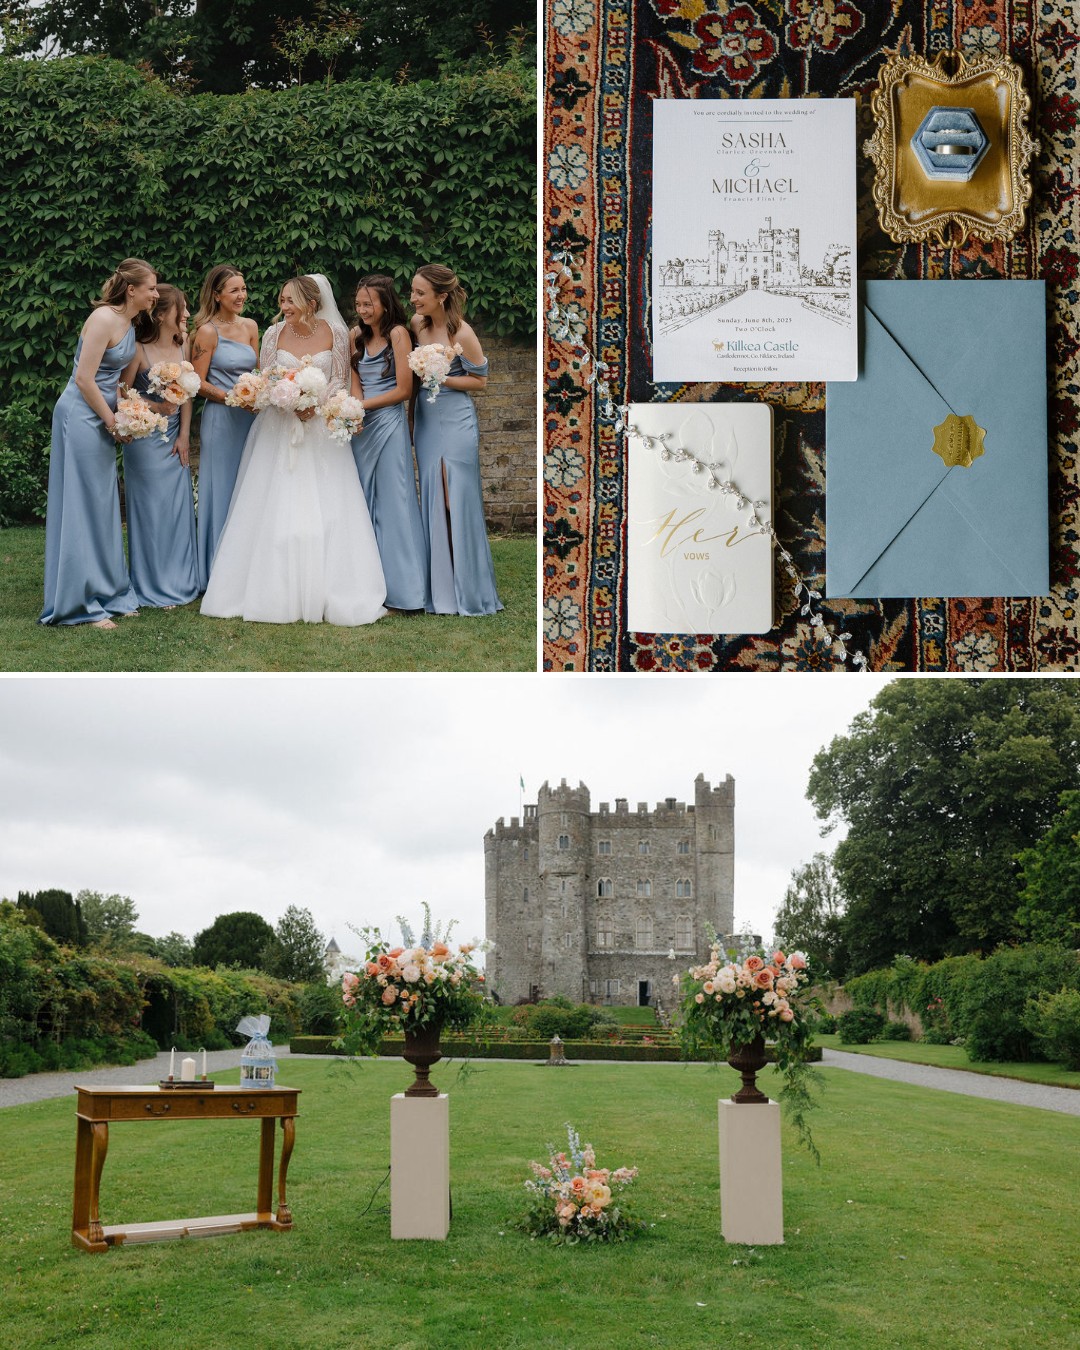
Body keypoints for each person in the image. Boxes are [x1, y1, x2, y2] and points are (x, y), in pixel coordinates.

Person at [201, 274, 387, 626]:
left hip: (319, 429)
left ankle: (331, 588)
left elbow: (339, 378)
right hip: (279, 427)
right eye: (281, 300)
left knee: (328, 507)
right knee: (273, 504)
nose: (282, 307)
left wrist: (315, 403)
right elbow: (268, 376)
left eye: (288, 301)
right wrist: (287, 399)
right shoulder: (272, 334)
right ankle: (271, 589)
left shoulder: (335, 334)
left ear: (310, 303)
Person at [40, 258, 158, 628]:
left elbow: (120, 384)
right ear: (132, 289)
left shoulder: (129, 323)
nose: (156, 294)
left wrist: (130, 414)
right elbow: (84, 378)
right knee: (82, 502)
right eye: (152, 288)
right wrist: (112, 422)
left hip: (105, 418)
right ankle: (79, 602)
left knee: (103, 501)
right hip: (80, 416)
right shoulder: (104, 319)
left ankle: (108, 590)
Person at [409, 264, 503, 616]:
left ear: (441, 296)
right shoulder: (418, 326)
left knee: (454, 499)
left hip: (455, 420)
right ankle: (441, 591)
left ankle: (468, 589)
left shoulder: (461, 333)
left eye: (420, 293)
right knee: (433, 495)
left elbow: (480, 382)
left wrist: (440, 377)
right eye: (413, 291)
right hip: (427, 420)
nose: (414, 298)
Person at [350, 275, 429, 612]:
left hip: (389, 424)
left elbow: (404, 390)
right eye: (359, 304)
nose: (363, 310)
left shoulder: (399, 334)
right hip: (360, 429)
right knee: (361, 502)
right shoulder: (355, 336)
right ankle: (365, 584)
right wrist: (352, 411)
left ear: (385, 304)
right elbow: (355, 383)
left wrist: (360, 407)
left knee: (395, 503)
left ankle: (406, 591)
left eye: (369, 304)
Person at [119, 284, 200, 609]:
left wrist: (184, 436)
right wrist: (155, 409)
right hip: (144, 441)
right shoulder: (138, 349)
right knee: (151, 512)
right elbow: (121, 392)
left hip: (174, 440)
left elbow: (188, 398)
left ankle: (181, 581)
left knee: (177, 510)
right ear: (163, 314)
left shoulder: (184, 346)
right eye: (183, 309)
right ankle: (152, 586)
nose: (188, 315)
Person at [190, 265, 259, 589]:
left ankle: (246, 571)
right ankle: (216, 574)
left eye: (243, 289)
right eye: (234, 290)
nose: (241, 295)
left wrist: (260, 392)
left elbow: (259, 372)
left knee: (249, 490)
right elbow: (196, 382)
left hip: (251, 422)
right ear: (216, 295)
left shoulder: (250, 327)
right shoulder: (206, 331)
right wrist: (232, 397)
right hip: (221, 421)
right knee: (220, 492)